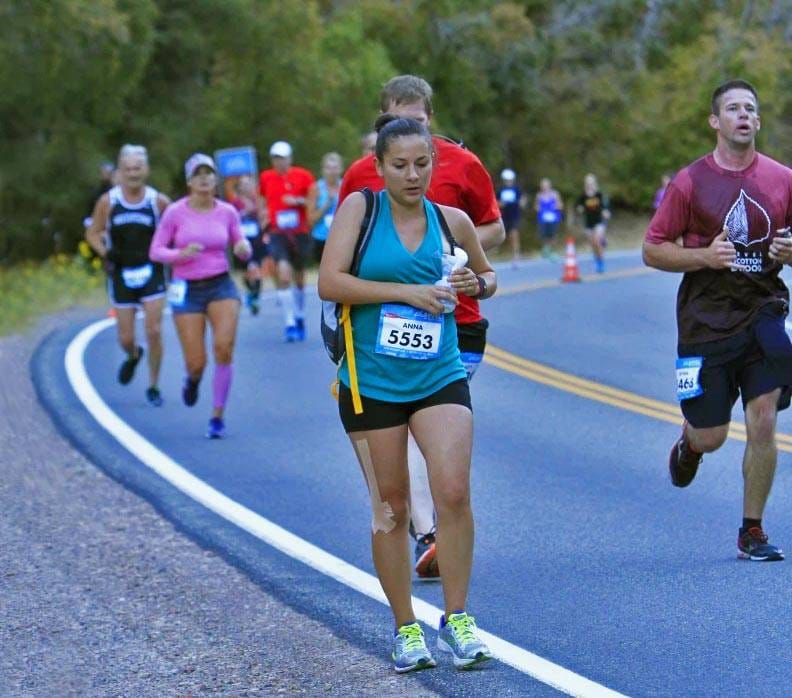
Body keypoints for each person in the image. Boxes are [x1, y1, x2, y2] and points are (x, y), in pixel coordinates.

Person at [319, 115, 498, 672]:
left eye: (422, 164)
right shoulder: (360, 211)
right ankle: (405, 627)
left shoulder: (452, 221)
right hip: (370, 382)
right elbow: (329, 282)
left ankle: (459, 617)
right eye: (400, 165)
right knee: (391, 508)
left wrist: (475, 284)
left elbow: (488, 278)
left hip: (438, 372)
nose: (412, 175)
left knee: (453, 491)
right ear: (379, 167)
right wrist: (407, 292)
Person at [338, 75, 504, 581]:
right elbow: (336, 268)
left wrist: (464, 267)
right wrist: (403, 290)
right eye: (393, 120)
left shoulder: (462, 171)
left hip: (454, 330)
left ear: (431, 121)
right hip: (374, 343)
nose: (412, 172)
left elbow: (487, 230)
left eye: (416, 120)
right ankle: (427, 535)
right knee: (399, 455)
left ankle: (448, 576)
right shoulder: (360, 185)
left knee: (439, 452)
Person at [643, 79, 792, 562]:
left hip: (763, 310)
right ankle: (689, 445)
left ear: (758, 121)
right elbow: (652, 249)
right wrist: (706, 257)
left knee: (764, 418)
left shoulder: (783, 180)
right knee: (712, 435)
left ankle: (752, 530)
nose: (743, 115)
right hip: (705, 322)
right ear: (715, 121)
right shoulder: (689, 182)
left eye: (751, 108)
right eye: (733, 108)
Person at [149, 153, 251, 439]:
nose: (205, 179)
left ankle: (217, 416)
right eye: (198, 174)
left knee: (224, 347)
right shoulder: (175, 213)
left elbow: (239, 241)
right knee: (197, 362)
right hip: (187, 290)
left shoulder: (227, 211)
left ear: (214, 179)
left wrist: (243, 248)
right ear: (189, 181)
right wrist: (179, 254)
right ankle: (192, 380)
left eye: (209, 174)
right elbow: (156, 251)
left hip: (221, 285)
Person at [85, 145, 170, 406]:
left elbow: (175, 229)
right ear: (120, 172)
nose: (133, 174)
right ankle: (134, 355)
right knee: (126, 338)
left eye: (138, 168)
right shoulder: (108, 202)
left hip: (151, 271)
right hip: (121, 273)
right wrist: (105, 252)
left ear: (146, 170)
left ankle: (153, 386)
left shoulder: (158, 201)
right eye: (128, 169)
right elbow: (92, 232)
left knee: (154, 330)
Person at [259, 141, 316, 342]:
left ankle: (299, 315)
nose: (279, 162)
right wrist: (263, 216)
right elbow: (263, 200)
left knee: (299, 278)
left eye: (282, 158)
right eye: (275, 158)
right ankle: (290, 322)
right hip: (278, 233)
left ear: (290, 159)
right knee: (283, 274)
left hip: (300, 232)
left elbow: (313, 201)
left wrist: (298, 201)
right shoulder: (266, 177)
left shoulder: (304, 176)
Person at [229, 174, 268, 315]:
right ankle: (250, 293)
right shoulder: (234, 203)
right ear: (239, 187)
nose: (247, 187)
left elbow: (264, 217)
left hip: (256, 241)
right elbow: (231, 221)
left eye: (249, 183)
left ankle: (254, 298)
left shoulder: (257, 201)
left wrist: (262, 219)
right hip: (241, 242)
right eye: (243, 184)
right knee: (247, 272)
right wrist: (244, 212)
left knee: (256, 269)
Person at [307, 152, 344, 264]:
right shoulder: (316, 188)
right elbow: (310, 219)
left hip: (342, 238)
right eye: (328, 168)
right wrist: (327, 204)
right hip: (321, 238)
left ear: (341, 169)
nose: (332, 171)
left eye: (335, 168)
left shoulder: (346, 186)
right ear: (323, 170)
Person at [575, 173, 610, 273]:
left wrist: (606, 211)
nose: (590, 184)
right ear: (585, 184)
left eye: (591, 182)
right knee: (593, 244)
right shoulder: (583, 196)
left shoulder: (599, 194)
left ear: (594, 183)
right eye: (588, 183)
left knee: (596, 241)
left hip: (598, 221)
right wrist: (579, 209)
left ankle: (601, 263)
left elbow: (605, 205)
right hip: (588, 223)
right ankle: (597, 258)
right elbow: (578, 206)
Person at [497, 168, 527, 266]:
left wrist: (520, 202)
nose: (508, 182)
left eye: (510, 180)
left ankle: (516, 254)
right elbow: (497, 203)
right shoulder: (500, 190)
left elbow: (523, 201)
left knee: (514, 234)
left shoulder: (517, 189)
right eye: (506, 180)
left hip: (515, 215)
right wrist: (502, 204)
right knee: (505, 235)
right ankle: (508, 252)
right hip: (504, 216)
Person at [534, 177, 564, 259]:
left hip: (553, 218)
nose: (545, 187)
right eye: (543, 185)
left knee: (553, 235)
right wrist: (539, 208)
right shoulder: (539, 195)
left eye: (546, 185)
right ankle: (546, 249)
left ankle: (552, 251)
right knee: (544, 235)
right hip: (543, 219)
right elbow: (536, 206)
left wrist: (556, 206)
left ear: (549, 186)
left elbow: (560, 205)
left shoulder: (555, 194)